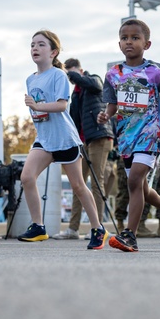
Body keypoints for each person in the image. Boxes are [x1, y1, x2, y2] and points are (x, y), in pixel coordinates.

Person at [14, 32, 108, 249]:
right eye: (32, 45)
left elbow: (61, 105)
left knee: (78, 185)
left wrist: (37, 106)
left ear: (53, 52)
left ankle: (97, 228)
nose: (35, 48)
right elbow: (39, 110)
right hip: (45, 138)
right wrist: (36, 111)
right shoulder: (30, 79)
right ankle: (38, 226)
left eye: (41, 44)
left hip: (64, 138)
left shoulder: (59, 75)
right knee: (27, 177)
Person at [97, 18, 160, 252]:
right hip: (126, 137)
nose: (129, 42)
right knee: (141, 188)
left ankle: (130, 235)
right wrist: (106, 115)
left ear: (147, 44)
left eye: (135, 38)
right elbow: (113, 105)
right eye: (125, 38)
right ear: (119, 43)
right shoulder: (113, 74)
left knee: (134, 181)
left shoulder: (154, 71)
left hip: (150, 133)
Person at [53, 58, 114, 240]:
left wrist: (69, 73)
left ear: (79, 70)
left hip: (100, 136)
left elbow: (96, 86)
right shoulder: (75, 94)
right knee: (78, 184)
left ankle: (98, 227)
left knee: (97, 182)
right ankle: (72, 229)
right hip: (84, 142)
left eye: (72, 73)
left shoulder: (92, 80)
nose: (70, 78)